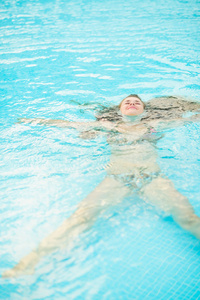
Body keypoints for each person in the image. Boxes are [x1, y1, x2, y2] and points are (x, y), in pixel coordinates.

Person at [2, 94, 200, 278]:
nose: (132, 104)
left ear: (144, 110)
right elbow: (68, 125)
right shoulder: (109, 126)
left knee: (187, 217)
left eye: (137, 103)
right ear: (120, 110)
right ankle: (27, 264)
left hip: (152, 176)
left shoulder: (156, 124)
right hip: (118, 178)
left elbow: (192, 119)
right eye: (127, 102)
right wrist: (35, 121)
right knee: (81, 218)